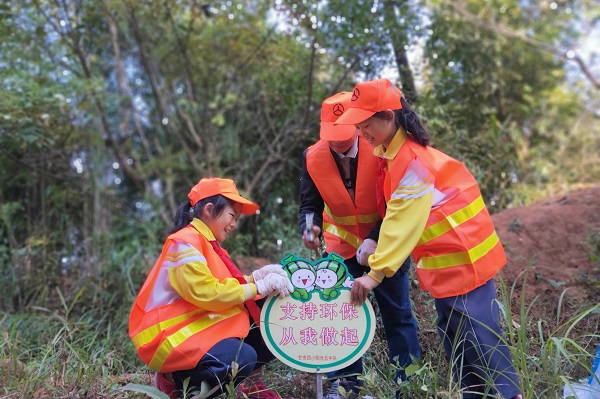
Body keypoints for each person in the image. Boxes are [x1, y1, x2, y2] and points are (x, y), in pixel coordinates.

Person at [335, 78, 524, 399]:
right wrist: (373, 239)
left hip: (465, 264)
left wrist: (374, 274)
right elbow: (395, 211)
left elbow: (403, 219)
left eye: (366, 124)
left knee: (481, 347)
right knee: (460, 347)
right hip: (446, 268)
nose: (361, 133)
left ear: (388, 116)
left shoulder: (413, 161)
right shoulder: (395, 157)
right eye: (357, 126)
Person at [299, 92, 421, 399]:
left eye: (344, 135)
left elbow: (397, 204)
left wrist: (375, 237)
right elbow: (308, 205)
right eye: (332, 137)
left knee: (398, 315)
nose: (338, 143)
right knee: (343, 315)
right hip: (341, 248)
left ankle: (407, 386)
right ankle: (347, 387)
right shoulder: (312, 157)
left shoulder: (381, 149)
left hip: (385, 242)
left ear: (357, 126)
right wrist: (309, 227)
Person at [129, 177, 294, 399]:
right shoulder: (184, 242)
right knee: (240, 357)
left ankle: (249, 383)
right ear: (208, 210)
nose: (234, 223)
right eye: (232, 215)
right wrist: (257, 286)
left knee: (270, 308)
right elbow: (204, 291)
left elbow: (223, 286)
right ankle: (174, 380)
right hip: (172, 340)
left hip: (199, 330)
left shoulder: (208, 245)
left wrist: (255, 279)